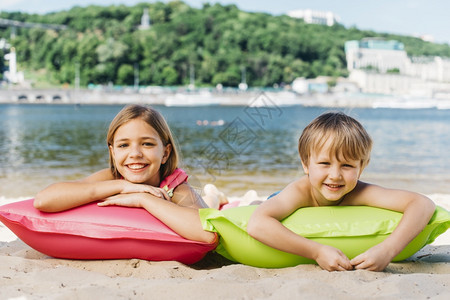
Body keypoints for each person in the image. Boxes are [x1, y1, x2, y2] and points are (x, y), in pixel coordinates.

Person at [247, 111, 436, 272]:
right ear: (305, 163)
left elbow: (422, 203)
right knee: (256, 205)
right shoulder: (299, 191)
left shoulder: (361, 192)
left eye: (347, 165)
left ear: (361, 167)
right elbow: (257, 224)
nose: (335, 175)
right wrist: (316, 251)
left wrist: (387, 250)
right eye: (324, 163)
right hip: (277, 197)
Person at [34, 104, 219, 243]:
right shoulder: (113, 178)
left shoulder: (176, 188)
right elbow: (43, 200)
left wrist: (143, 199)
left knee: (210, 202)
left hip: (193, 201)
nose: (135, 154)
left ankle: (215, 195)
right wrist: (122, 186)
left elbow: (208, 235)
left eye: (147, 144)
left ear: (165, 152)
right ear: (113, 152)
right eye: (123, 145)